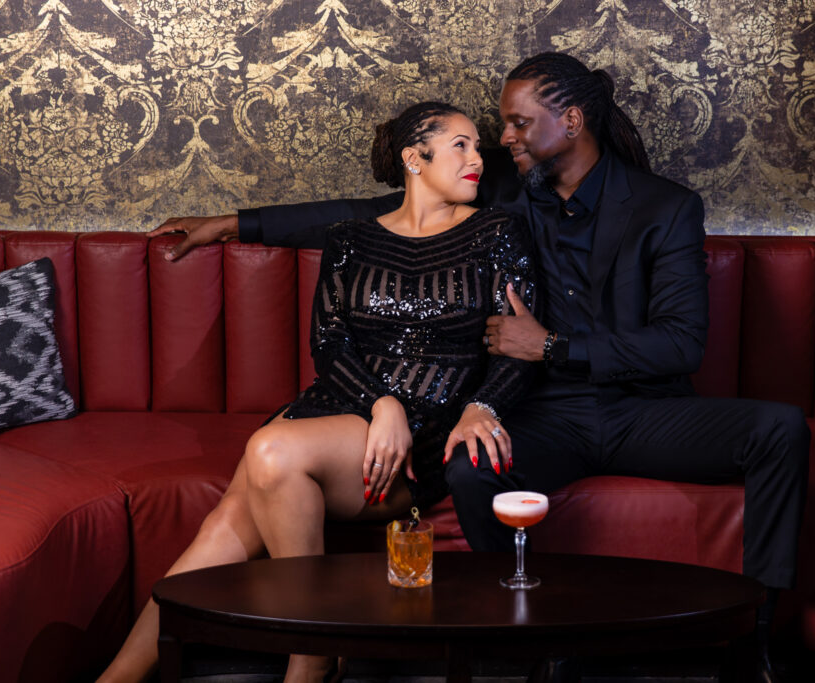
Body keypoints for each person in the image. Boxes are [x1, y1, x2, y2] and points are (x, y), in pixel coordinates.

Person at [151, 53, 809, 682]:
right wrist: (235, 224)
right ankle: (536, 640)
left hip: (644, 411)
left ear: (572, 121)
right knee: (468, 465)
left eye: (519, 123)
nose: (504, 136)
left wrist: (549, 345)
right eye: (501, 125)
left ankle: (758, 639)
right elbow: (364, 217)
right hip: (541, 412)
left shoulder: (666, 207)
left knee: (781, 429)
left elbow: (680, 345)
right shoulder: (501, 183)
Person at [97, 101, 538, 683]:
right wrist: (381, 405)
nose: (479, 157)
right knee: (224, 526)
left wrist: (471, 409)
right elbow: (329, 346)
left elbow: (521, 347)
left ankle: (311, 648)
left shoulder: (497, 232)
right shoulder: (352, 238)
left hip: (425, 428)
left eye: (478, 147)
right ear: (415, 158)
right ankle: (117, 679)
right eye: (461, 145)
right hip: (342, 408)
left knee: (270, 452)